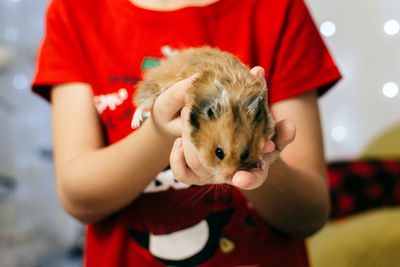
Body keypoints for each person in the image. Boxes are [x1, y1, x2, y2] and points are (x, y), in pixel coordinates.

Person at [32, 0, 341, 266]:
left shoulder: (278, 8)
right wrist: (158, 133)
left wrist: (261, 167)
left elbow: (310, 215)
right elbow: (78, 199)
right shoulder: (75, 12)